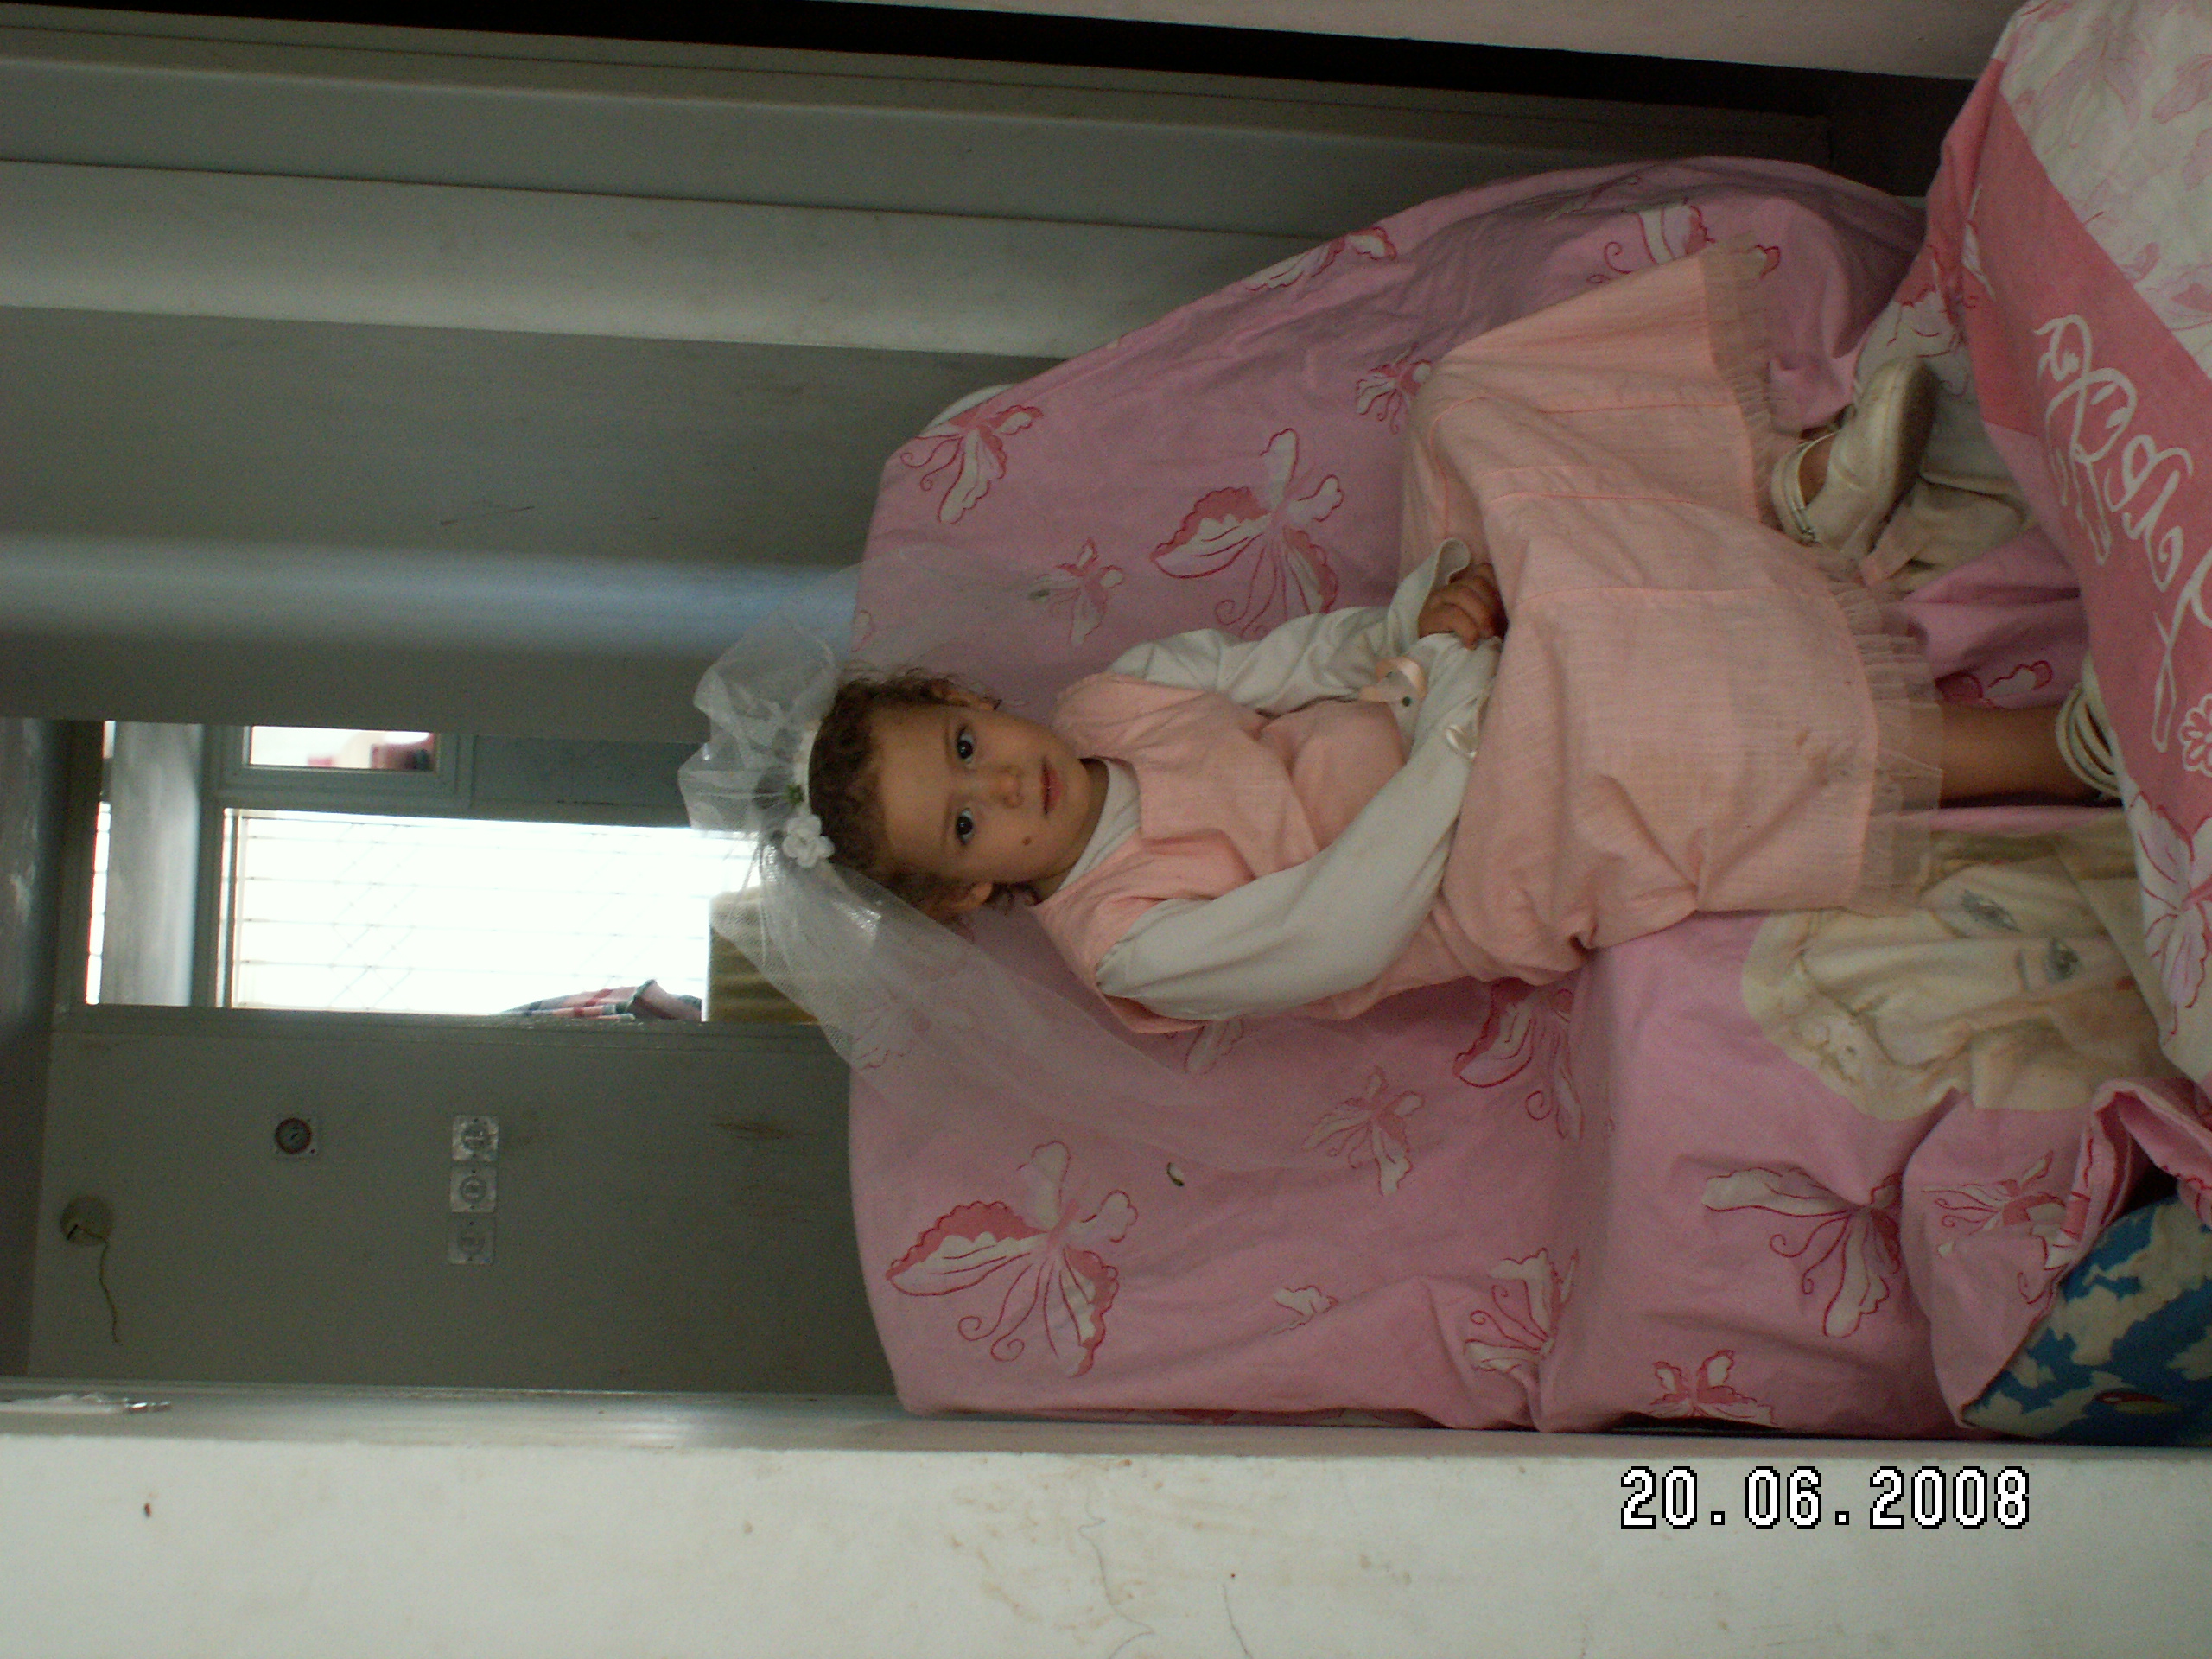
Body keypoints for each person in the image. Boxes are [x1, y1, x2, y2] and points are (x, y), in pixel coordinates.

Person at [696, 248, 2113, 1044]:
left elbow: (1292, 661)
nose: (1004, 783)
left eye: (964, 745)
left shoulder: (1110, 701)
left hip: (1428, 698)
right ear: (966, 894)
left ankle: (1793, 498)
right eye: (966, 822)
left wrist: (1424, 623)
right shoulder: (1129, 947)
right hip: (1470, 852)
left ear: (969, 695)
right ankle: (2055, 751)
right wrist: (1454, 719)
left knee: (1469, 409)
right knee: (1645, 720)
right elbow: (1348, 913)